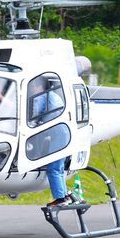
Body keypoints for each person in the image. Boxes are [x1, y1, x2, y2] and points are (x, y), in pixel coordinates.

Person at [29, 77, 76, 208]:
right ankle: (65, 196)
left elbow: (35, 116)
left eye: (33, 87)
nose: (32, 90)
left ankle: (61, 199)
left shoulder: (40, 97)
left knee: (53, 168)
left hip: (58, 134)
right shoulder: (53, 95)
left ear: (40, 87)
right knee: (59, 167)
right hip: (66, 133)